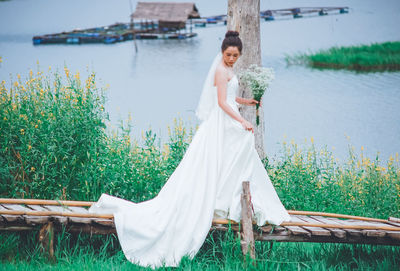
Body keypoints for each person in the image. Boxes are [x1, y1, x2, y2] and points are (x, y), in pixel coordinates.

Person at [89, 30, 291, 268]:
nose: (231, 59)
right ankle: (222, 200)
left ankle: (229, 200)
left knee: (236, 155)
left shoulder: (230, 70)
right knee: (232, 150)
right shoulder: (219, 70)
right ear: (222, 52)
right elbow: (220, 103)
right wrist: (242, 120)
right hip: (220, 123)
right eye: (228, 55)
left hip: (228, 118)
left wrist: (246, 103)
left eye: (235, 55)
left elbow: (230, 96)